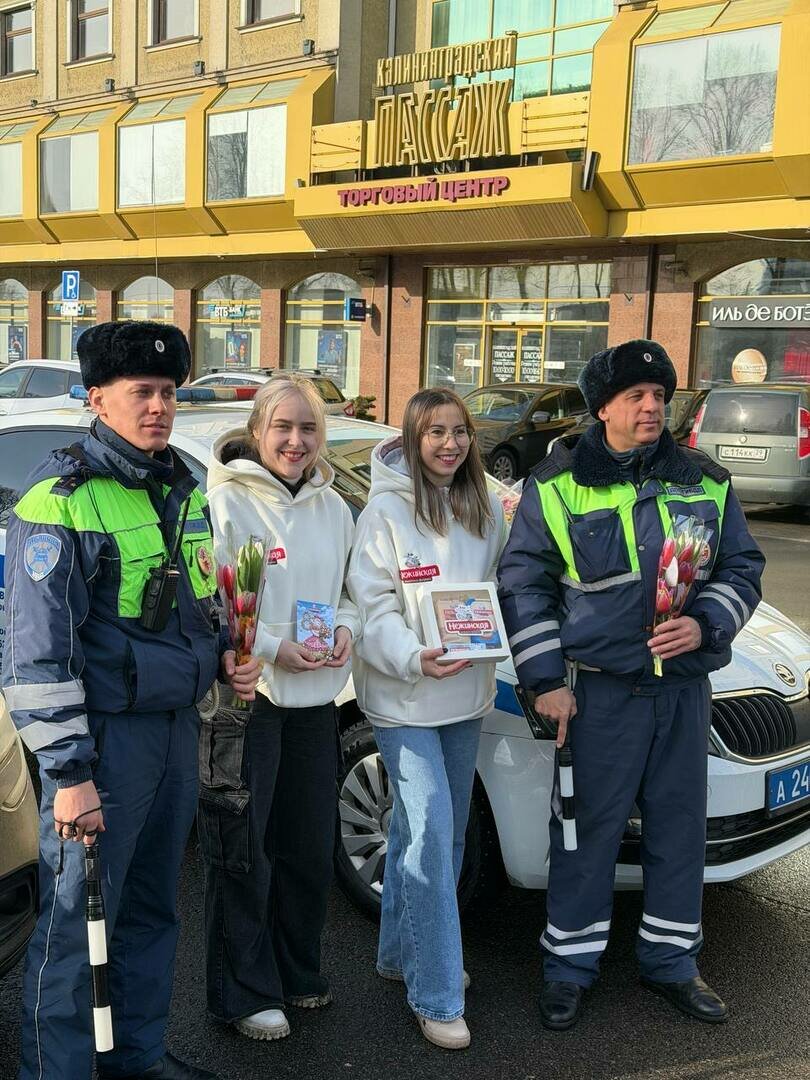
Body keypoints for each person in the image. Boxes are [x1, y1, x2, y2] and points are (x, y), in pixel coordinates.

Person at [2, 321, 260, 1080]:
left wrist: (224, 652)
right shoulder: (61, 499)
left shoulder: (178, 486)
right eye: (141, 392)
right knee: (74, 930)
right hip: (104, 746)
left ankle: (136, 1060)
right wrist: (69, 773)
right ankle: (57, 1071)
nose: (159, 406)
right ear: (96, 398)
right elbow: (37, 655)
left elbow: (194, 603)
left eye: (169, 391)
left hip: (175, 732)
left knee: (152, 912)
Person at [497, 339, 765, 1031]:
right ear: (603, 408)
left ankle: (672, 963)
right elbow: (523, 585)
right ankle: (568, 967)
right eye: (635, 396)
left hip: (682, 693)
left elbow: (742, 567)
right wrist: (545, 681)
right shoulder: (557, 485)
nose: (651, 407)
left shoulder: (705, 479)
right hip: (599, 697)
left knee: (680, 831)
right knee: (583, 833)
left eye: (660, 396)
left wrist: (705, 623)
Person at [200, 374, 360, 1041]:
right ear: (258, 431)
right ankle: (244, 992)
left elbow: (349, 591)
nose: (296, 441)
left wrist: (346, 628)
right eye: (283, 427)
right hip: (249, 703)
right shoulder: (224, 501)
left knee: (306, 849)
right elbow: (216, 603)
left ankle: (298, 971)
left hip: (315, 703)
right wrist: (270, 648)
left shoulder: (335, 508)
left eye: (308, 428)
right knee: (243, 850)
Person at [347, 388, 505, 1051]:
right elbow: (372, 610)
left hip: (465, 694)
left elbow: (496, 590)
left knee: (438, 828)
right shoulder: (383, 513)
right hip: (403, 698)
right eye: (435, 432)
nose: (449, 444)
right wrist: (414, 656)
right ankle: (436, 991)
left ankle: (397, 953)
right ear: (413, 440)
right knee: (432, 833)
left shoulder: (485, 508)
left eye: (459, 431)